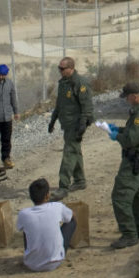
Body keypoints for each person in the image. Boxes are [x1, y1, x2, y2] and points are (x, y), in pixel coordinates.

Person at [107, 82, 139, 249]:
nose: (127, 101)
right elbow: (135, 132)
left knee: (120, 196)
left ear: (135, 96)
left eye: (128, 98)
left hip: (134, 159)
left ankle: (129, 234)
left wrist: (117, 136)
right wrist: (120, 130)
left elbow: (131, 140)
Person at [48, 57, 93, 201]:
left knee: (68, 154)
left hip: (76, 124)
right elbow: (60, 104)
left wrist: (83, 123)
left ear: (70, 68)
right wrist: (53, 119)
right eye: (59, 68)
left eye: (62, 69)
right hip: (67, 124)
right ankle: (80, 180)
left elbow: (87, 105)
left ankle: (63, 186)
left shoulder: (80, 83)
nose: (60, 71)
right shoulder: (63, 83)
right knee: (75, 151)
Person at [17, 178, 77, 272]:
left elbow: (21, 228)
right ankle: (56, 251)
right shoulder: (57, 206)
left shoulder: (23, 214)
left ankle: (32, 253)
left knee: (26, 228)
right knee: (71, 221)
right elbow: (72, 215)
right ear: (47, 195)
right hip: (55, 262)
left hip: (31, 264)